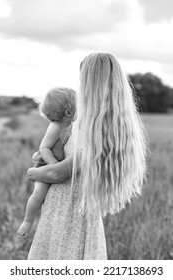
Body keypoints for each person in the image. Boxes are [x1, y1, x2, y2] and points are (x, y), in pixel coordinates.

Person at [27, 52, 147, 259]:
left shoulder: (95, 130)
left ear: (92, 83)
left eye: (83, 78)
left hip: (70, 216)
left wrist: (34, 172)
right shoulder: (98, 124)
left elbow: (58, 174)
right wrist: (45, 159)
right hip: (67, 212)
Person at [17, 87, 76, 238]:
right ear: (68, 113)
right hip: (45, 164)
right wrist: (53, 165)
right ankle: (27, 221)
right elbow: (44, 148)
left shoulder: (70, 125)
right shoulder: (56, 126)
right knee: (39, 193)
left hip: (56, 165)